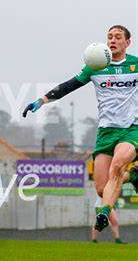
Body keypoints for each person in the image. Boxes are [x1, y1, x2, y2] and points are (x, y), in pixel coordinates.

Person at [23, 25, 137, 232]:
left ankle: (103, 215)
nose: (112, 40)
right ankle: (134, 176)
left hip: (132, 129)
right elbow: (68, 86)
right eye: (109, 37)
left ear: (127, 43)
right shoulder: (95, 66)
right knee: (102, 188)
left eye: (118, 37)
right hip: (106, 132)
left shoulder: (136, 65)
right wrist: (41, 100)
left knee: (118, 165)